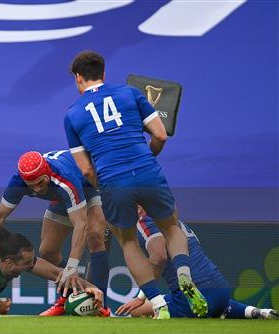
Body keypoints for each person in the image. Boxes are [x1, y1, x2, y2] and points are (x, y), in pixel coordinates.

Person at [63, 50, 207, 318]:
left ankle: (158, 305)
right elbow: (161, 135)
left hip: (112, 181)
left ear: (78, 77)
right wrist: (145, 162)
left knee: (127, 240)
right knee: (171, 227)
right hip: (147, 171)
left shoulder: (72, 115)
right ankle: (185, 277)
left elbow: (85, 169)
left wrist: (106, 183)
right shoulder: (131, 94)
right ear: (104, 74)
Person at [0, 150, 110, 316]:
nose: (37, 189)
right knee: (48, 250)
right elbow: (0, 214)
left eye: (40, 182)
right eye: (32, 186)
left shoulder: (65, 180)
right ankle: (66, 299)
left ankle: (101, 306)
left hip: (90, 185)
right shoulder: (19, 182)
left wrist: (72, 267)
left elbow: (80, 224)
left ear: (47, 173)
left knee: (94, 236)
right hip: (60, 196)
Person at [116, 212, 278, 319]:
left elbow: (159, 256)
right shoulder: (176, 223)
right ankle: (254, 312)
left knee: (138, 309)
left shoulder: (144, 223)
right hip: (220, 289)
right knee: (213, 303)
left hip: (192, 296)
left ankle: (176, 308)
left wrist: (140, 297)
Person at [0, 227, 104, 315]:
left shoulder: (3, 256)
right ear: (9, 263)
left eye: (32, 260)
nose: (31, 265)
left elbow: (56, 273)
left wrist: (92, 287)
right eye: (27, 263)